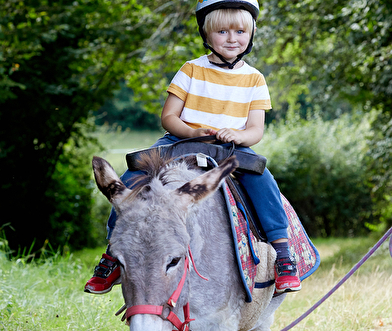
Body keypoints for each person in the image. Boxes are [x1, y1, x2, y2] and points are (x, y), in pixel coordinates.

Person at [84, 0, 301, 295]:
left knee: (263, 181)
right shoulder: (191, 70)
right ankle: (111, 255)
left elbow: (255, 131)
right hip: (180, 141)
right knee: (132, 180)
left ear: (250, 35)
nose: (232, 38)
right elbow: (169, 116)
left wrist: (238, 136)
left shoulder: (254, 79)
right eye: (222, 31)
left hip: (228, 147)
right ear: (206, 34)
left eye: (240, 31)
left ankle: (283, 255)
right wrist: (192, 131)